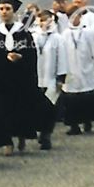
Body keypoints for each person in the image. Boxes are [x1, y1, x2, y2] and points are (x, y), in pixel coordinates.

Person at [0, 0, 39, 153]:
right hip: (2, 77)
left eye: (7, 8)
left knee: (21, 107)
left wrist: (21, 56)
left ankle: (21, 137)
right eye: (1, 8)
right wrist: (4, 56)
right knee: (4, 108)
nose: (4, 11)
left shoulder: (23, 32)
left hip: (20, 76)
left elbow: (32, 54)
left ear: (14, 11)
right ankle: (7, 142)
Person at [32, 9, 67, 149]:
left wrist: (61, 78)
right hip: (35, 78)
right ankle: (37, 131)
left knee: (50, 108)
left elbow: (62, 58)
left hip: (50, 78)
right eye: (41, 20)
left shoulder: (58, 38)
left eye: (47, 20)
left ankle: (46, 135)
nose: (44, 23)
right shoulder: (32, 36)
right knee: (36, 108)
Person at [62, 11, 94, 135]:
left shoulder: (88, 32)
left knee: (87, 96)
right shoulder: (65, 34)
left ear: (81, 16)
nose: (74, 19)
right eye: (71, 17)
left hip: (86, 68)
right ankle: (74, 125)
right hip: (71, 70)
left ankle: (87, 121)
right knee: (71, 99)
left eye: (77, 16)